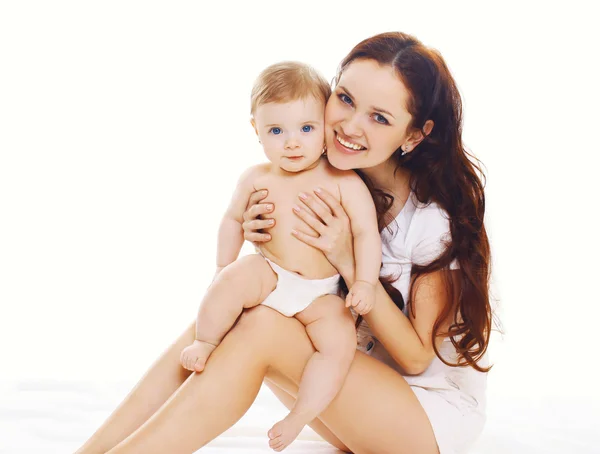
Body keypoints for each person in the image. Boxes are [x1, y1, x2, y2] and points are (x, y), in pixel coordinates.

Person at [75, 31, 493, 454]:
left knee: (261, 326)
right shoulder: (325, 172)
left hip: (423, 419)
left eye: (379, 118)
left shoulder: (432, 220)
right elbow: (287, 271)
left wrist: (348, 259)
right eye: (345, 99)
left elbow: (417, 358)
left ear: (414, 136)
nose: (349, 126)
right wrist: (260, 234)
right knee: (222, 317)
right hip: (347, 382)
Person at [179, 61, 381, 450]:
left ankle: (299, 417)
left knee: (337, 347)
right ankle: (206, 341)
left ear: (325, 127)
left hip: (322, 293)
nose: (292, 142)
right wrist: (223, 267)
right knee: (235, 279)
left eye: (306, 129)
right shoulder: (256, 177)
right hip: (269, 273)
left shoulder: (344, 181)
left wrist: (365, 283)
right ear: (256, 130)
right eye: (276, 130)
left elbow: (364, 233)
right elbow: (232, 221)